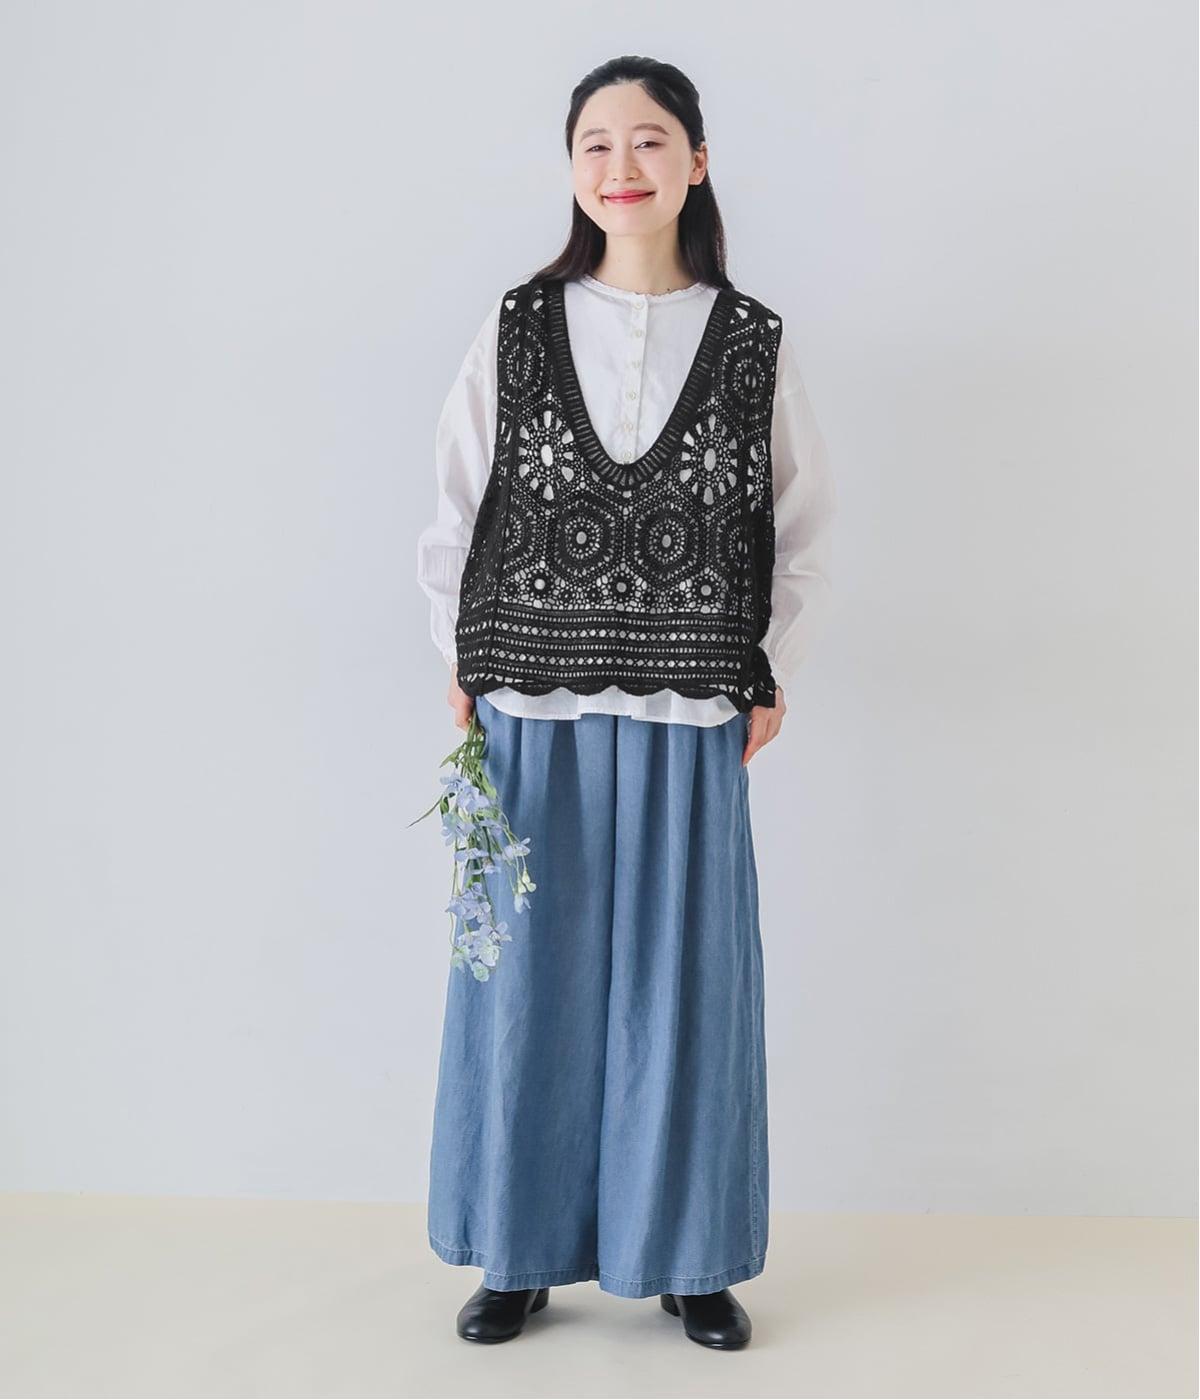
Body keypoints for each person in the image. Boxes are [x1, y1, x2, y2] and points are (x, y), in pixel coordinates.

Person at [415, 54, 837, 1350]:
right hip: (528, 704)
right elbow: (456, 504)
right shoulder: (518, 325)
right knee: (523, 983)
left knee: (683, 986)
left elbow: (801, 524)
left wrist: (770, 666)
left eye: (649, 140)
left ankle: (688, 1254)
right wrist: (458, 655)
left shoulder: (754, 341)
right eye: (595, 144)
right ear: (571, 170)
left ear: (695, 162)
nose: (621, 165)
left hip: (691, 707)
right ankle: (518, 1247)